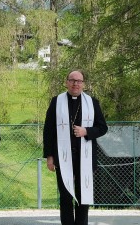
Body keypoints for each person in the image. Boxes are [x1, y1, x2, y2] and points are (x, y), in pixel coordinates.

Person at [43, 70, 108, 225]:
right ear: (67, 82)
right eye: (72, 80)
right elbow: (48, 130)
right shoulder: (56, 101)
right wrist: (49, 156)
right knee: (65, 197)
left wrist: (86, 131)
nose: (75, 84)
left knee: (83, 196)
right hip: (62, 157)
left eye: (79, 81)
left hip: (84, 157)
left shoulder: (92, 102)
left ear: (83, 84)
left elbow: (103, 127)